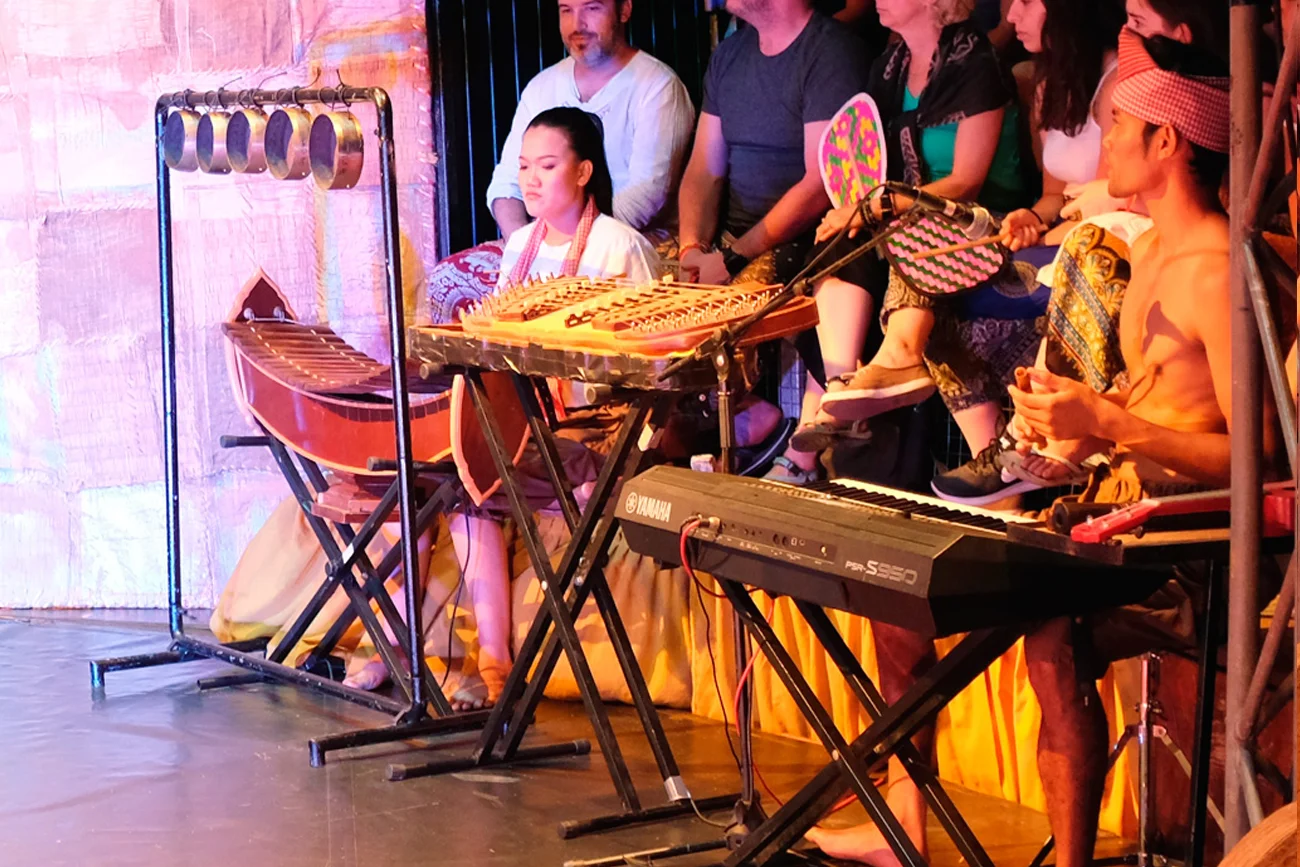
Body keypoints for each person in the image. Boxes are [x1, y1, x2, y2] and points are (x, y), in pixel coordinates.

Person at [806, 32, 1236, 867]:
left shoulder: (1217, 273)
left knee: (1048, 631)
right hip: (1104, 506)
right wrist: (1078, 419)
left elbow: (1263, 460)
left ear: (1167, 142)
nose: (1099, 142)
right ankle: (904, 826)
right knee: (903, 597)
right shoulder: (1142, 253)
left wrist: (1110, 426)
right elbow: (1139, 403)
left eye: (1117, 125)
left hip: (1180, 542)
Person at [318, 109, 659, 708]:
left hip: (592, 429)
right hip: (526, 424)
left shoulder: (620, 247)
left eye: (547, 166)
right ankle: (425, 648)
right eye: (523, 167)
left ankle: (480, 659)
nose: (530, 180)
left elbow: (647, 364)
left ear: (583, 172)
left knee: (467, 480)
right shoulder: (520, 246)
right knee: (432, 477)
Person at [772, 0, 1030, 483]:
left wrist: (879, 205)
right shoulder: (889, 68)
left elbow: (966, 182)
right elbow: (868, 162)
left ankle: (869, 383)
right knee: (838, 242)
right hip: (903, 212)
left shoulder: (976, 64)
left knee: (887, 226)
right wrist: (858, 208)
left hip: (980, 218)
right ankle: (841, 387)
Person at [911, 0, 1129, 504]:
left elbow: (1115, 194)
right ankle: (999, 462)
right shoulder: (1050, 85)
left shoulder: (1117, 83)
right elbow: (1057, 193)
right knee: (939, 300)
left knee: (968, 295)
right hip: (1058, 241)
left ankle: (1027, 455)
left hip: (1101, 243)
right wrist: (1033, 217)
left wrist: (1057, 225)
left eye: (1027, 2)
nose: (1012, 15)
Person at [428, 0, 693, 325]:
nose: (577, 23)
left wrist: (576, 237)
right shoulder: (543, 86)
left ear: (624, 10)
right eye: (566, 10)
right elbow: (507, 182)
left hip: (628, 231)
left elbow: (647, 195)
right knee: (445, 280)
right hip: (546, 231)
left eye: (592, 9)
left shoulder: (657, 86)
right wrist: (525, 244)